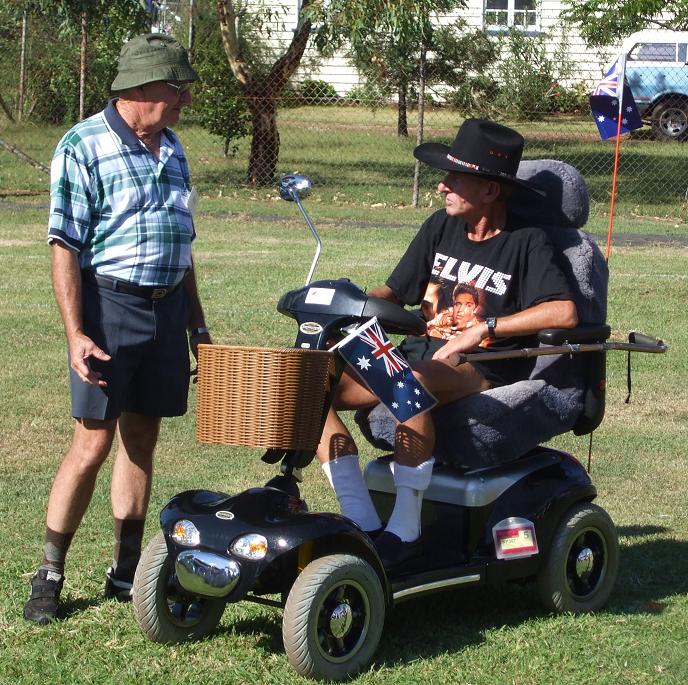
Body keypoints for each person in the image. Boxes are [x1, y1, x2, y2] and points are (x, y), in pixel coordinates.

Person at [317, 118, 578, 567]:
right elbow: (394, 292)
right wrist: (354, 303)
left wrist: (485, 328)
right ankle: (360, 518)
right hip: (420, 353)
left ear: (491, 191)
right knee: (309, 386)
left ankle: (405, 529)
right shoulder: (439, 226)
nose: (442, 187)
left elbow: (564, 312)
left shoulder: (527, 241)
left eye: (456, 178)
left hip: (483, 366)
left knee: (407, 384)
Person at [23, 34, 210, 624]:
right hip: (109, 308)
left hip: (167, 311)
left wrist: (196, 321)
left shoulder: (172, 149)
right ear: (140, 88)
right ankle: (50, 572)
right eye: (176, 89)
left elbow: (181, 244)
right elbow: (64, 247)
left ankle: (126, 570)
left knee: (142, 439)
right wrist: (75, 332)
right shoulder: (82, 146)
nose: (183, 100)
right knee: (92, 442)